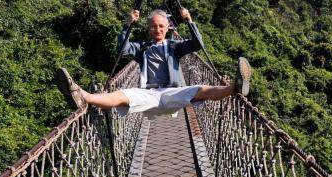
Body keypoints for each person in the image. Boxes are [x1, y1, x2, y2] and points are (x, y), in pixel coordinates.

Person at [55, 7, 250, 118]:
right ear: (149, 29)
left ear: (167, 28)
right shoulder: (142, 47)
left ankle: (235, 87)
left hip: (172, 92)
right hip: (148, 94)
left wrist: (190, 21)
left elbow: (198, 44)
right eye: (153, 26)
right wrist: (127, 25)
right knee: (123, 95)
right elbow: (122, 50)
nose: (157, 29)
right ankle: (83, 96)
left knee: (200, 89)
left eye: (161, 26)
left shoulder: (175, 46)